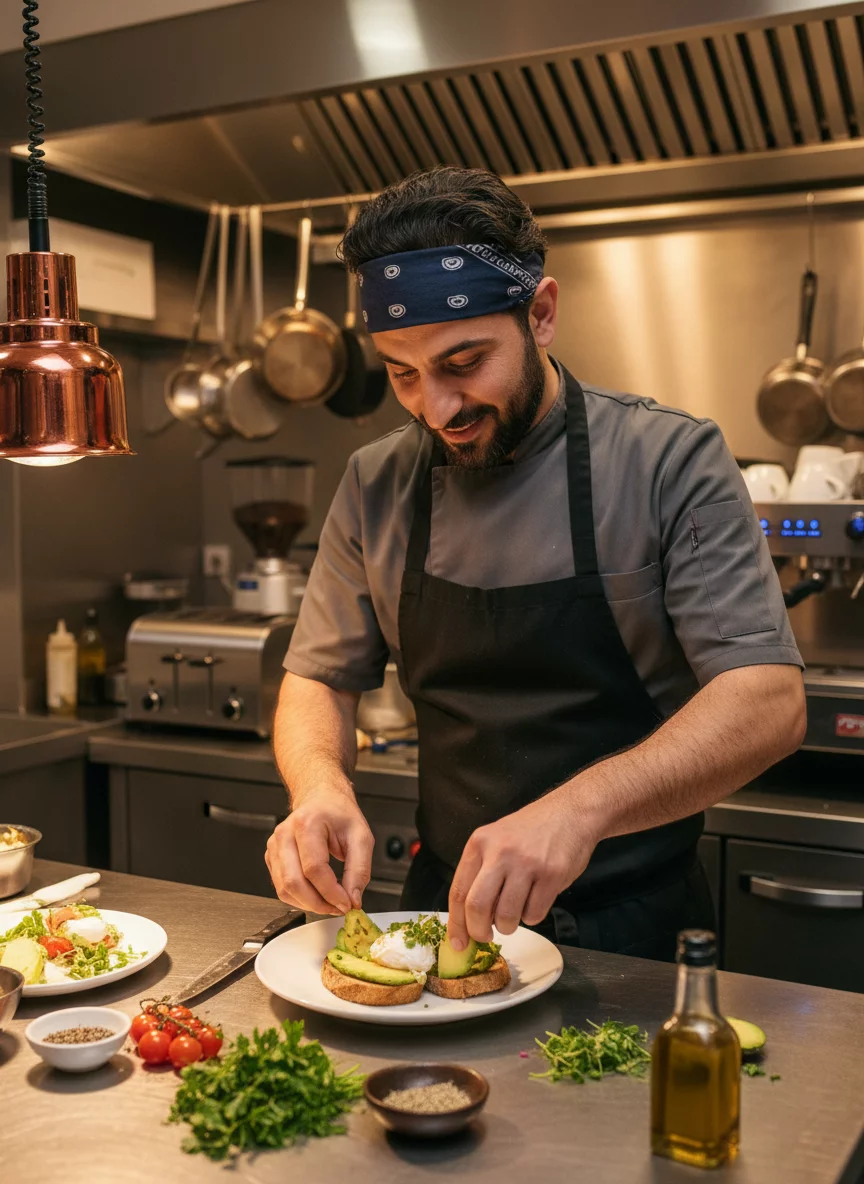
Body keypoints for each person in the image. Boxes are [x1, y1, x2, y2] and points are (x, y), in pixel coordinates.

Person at [265, 166, 805, 961]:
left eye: (462, 362)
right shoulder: (376, 480)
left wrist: (580, 809)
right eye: (402, 373)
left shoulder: (669, 460)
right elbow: (319, 677)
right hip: (447, 917)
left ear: (541, 314)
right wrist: (318, 787)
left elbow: (768, 701)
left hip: (635, 931)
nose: (435, 409)